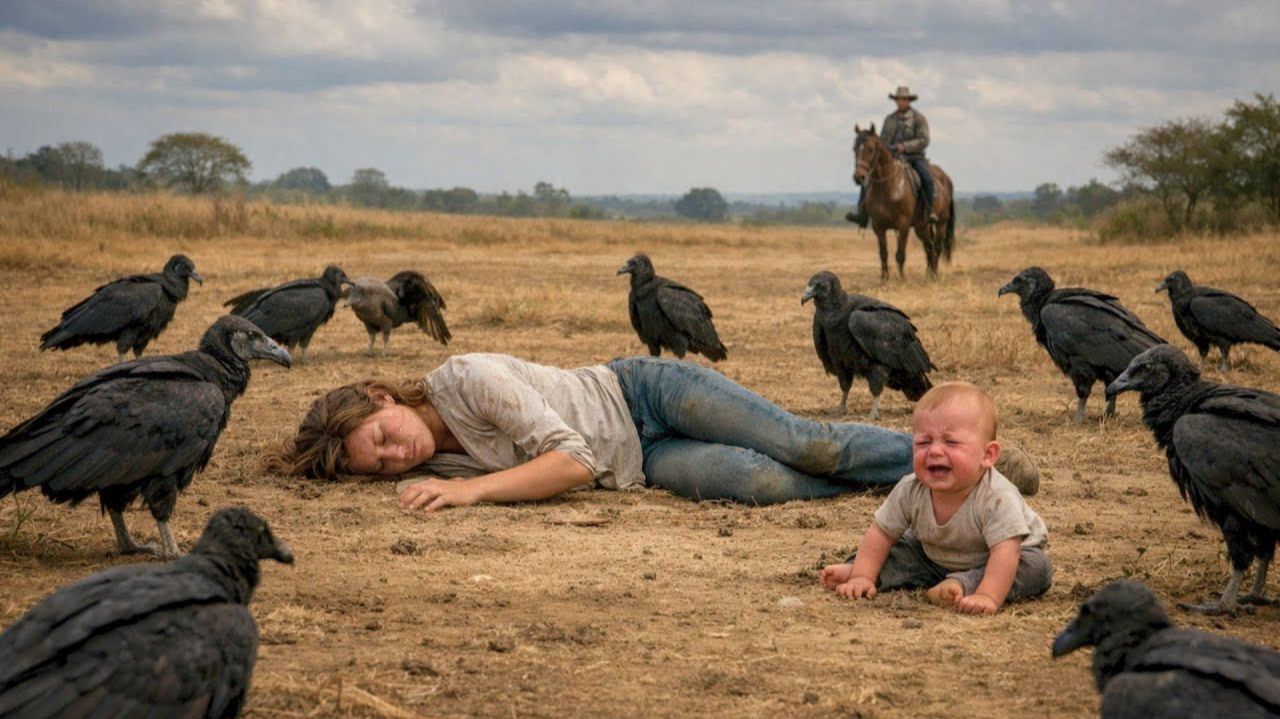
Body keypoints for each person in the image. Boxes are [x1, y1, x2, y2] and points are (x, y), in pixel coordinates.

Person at [267, 353, 1039, 511]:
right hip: (640, 460)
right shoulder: (427, 463)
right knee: (765, 484)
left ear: (380, 394)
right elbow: (589, 467)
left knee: (804, 445)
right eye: (381, 466)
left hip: (644, 393)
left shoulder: (464, 380)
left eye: (384, 436)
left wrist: (471, 497)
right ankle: (923, 480)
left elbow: (568, 461)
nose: (398, 456)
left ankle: (955, 458)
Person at [818, 382, 1051, 615]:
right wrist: (862, 576)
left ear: (988, 455)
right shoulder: (911, 488)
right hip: (932, 558)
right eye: (923, 442)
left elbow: (1005, 552)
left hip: (998, 559)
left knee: (1037, 568)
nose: (935, 451)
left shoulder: (997, 496)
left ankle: (963, 585)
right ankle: (862, 571)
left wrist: (986, 595)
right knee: (903, 549)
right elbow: (881, 533)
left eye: (951, 442)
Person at [847, 85, 938, 227]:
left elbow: (924, 140)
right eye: (899, 99)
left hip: (914, 157)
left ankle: (930, 210)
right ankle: (862, 213)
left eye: (904, 99)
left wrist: (905, 147)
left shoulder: (919, 118)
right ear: (896, 101)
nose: (901, 102)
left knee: (926, 177)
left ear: (909, 101)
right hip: (893, 156)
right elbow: (883, 140)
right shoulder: (889, 119)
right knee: (869, 180)